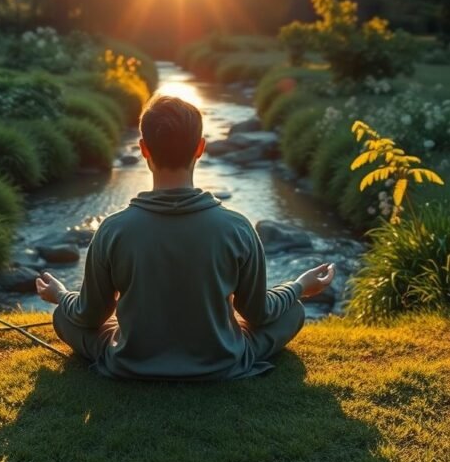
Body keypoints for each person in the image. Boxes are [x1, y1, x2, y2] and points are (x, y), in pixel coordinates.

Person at [36, 93, 336, 380]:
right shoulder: (238, 227)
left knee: (63, 317)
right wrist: (299, 286)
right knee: (292, 311)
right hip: (221, 363)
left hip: (129, 363)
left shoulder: (113, 229)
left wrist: (60, 295)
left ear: (143, 149)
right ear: (200, 148)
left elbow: (89, 317)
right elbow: (259, 314)